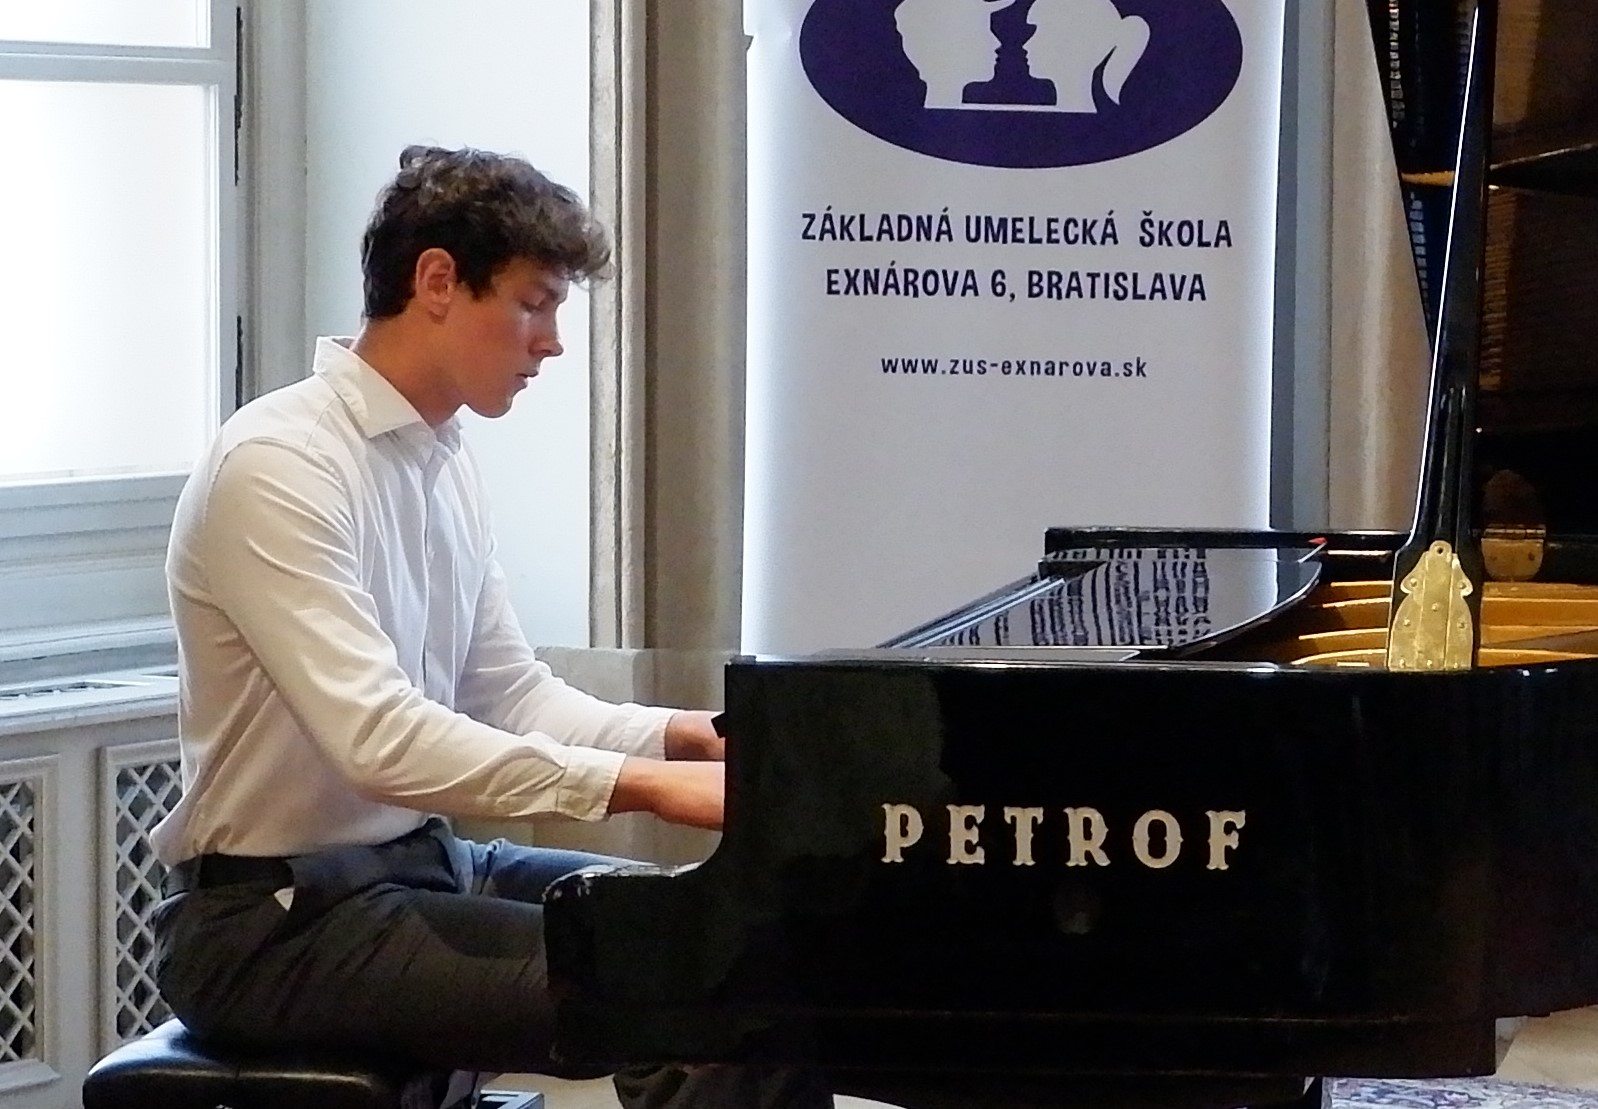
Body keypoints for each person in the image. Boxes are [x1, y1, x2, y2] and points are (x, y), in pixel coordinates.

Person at [149, 145, 832, 1108]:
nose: (552, 343)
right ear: (437, 280)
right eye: (534, 304)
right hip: (274, 922)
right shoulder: (277, 462)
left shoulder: (438, 455)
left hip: (423, 868)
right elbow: (379, 740)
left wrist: (687, 738)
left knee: (755, 942)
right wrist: (648, 788)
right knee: (699, 993)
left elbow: (509, 693)